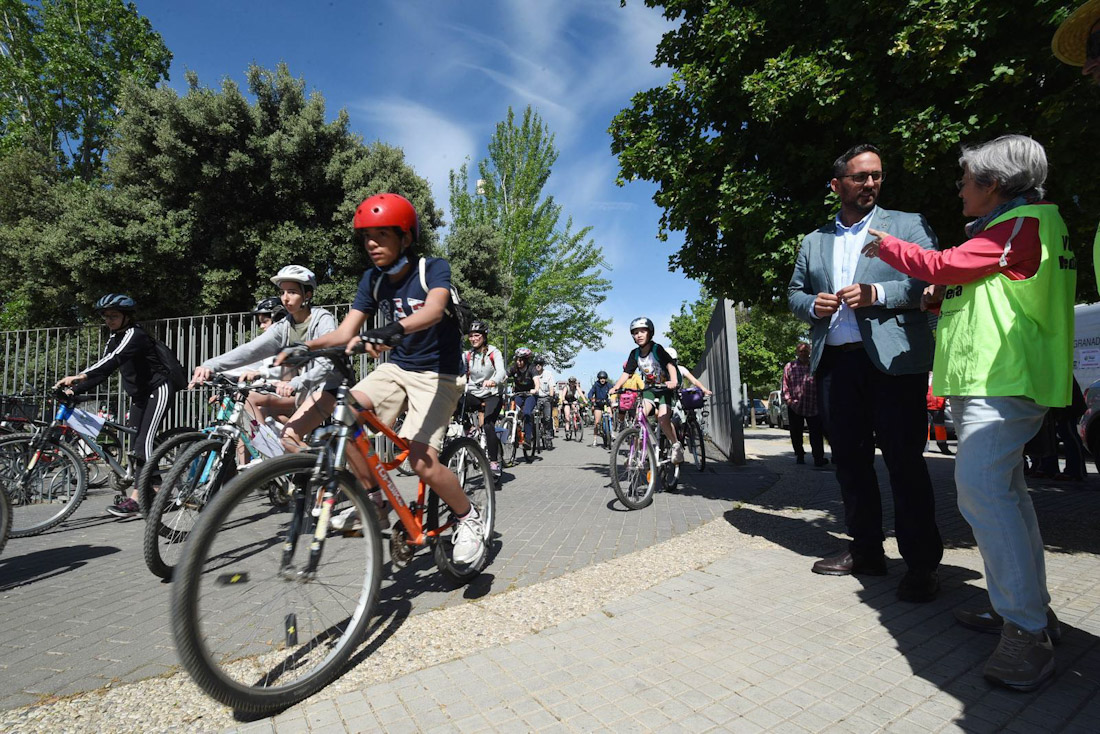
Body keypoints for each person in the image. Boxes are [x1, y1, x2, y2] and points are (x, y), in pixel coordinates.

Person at [862, 134, 1073, 691]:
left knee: (981, 493)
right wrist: (936, 298)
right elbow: (973, 284)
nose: (959, 188)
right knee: (1006, 496)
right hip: (995, 380)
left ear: (995, 184)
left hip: (1002, 380)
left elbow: (946, 264)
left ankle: (1027, 634)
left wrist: (885, 246)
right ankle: (1026, 614)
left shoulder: (1022, 222)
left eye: (966, 180)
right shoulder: (1016, 228)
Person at [281, 193, 486, 567]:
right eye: (366, 237)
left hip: (439, 374)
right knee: (346, 414)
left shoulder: (431, 268)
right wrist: (305, 347)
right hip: (398, 368)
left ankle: (468, 518)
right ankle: (375, 503)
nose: (372, 244)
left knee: (422, 461)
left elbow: (435, 308)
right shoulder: (372, 280)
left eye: (382, 235)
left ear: (405, 237)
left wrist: (391, 329)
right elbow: (345, 333)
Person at [787, 143, 944, 603]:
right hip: (837, 363)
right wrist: (810, 304)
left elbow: (932, 279)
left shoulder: (907, 225)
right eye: (860, 177)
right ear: (837, 185)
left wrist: (878, 292)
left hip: (894, 362)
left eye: (876, 175)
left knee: (904, 463)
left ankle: (921, 565)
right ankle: (867, 552)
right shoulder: (813, 240)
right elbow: (794, 292)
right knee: (851, 464)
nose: (871, 183)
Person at [190, 265, 340, 449]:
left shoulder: (322, 319)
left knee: (288, 438)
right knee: (284, 444)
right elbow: (251, 350)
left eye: (292, 292)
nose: (285, 297)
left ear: (307, 295)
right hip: (304, 391)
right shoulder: (284, 326)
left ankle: (316, 474)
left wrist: (296, 383)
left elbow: (328, 363)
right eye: (283, 292)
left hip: (329, 388)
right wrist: (210, 365)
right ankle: (285, 469)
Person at [54, 295, 177, 518]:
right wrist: (76, 390)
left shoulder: (134, 334)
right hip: (139, 396)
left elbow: (113, 360)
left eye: (114, 316)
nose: (109, 320)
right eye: (106, 316)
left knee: (143, 443)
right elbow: (104, 370)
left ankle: (138, 499)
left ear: (126, 316)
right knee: (136, 443)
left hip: (157, 390)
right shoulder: (114, 337)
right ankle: (158, 488)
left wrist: (80, 375)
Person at [608, 317, 682, 463]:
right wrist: (616, 386)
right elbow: (627, 373)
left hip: (665, 388)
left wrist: (673, 381)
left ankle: (676, 445)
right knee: (639, 416)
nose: (639, 335)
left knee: (662, 419)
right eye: (635, 332)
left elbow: (670, 365)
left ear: (650, 333)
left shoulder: (657, 349)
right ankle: (636, 453)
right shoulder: (634, 354)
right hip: (650, 388)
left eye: (642, 331)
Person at [463, 321, 506, 478]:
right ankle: (470, 429)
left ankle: (494, 462)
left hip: (492, 394)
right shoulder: (467, 355)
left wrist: (494, 380)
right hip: (474, 393)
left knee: (488, 425)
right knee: (452, 400)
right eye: (471, 336)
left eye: (477, 335)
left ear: (484, 336)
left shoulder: (494, 352)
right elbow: (458, 370)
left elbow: (501, 371)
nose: (473, 339)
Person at [782, 342, 826, 467]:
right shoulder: (790, 366)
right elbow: (785, 385)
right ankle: (800, 455)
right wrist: (788, 400)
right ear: (797, 352)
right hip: (795, 405)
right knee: (796, 433)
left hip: (814, 405)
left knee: (816, 434)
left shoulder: (816, 365)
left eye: (805, 351)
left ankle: (818, 458)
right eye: (800, 351)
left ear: (809, 351)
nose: (803, 353)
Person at [507, 348, 541, 447]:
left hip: (530, 395)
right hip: (518, 394)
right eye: (517, 359)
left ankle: (528, 439)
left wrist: (536, 389)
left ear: (526, 360)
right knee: (511, 412)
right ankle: (514, 433)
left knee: (527, 412)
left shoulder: (532, 368)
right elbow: (504, 376)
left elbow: (536, 381)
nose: (518, 362)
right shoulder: (514, 368)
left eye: (520, 360)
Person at [925, 374, 953, 456]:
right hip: (927, 406)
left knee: (940, 428)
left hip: (938, 406)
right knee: (925, 428)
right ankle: (924, 447)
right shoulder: (926, 378)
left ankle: (943, 447)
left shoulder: (940, 378)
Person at [587, 370, 613, 446]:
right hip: (598, 405)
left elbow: (613, 391)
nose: (602, 380)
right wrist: (591, 398)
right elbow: (590, 393)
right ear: (598, 379)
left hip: (606, 404)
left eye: (604, 378)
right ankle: (595, 439)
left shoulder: (608, 385)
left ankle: (611, 432)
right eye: (601, 378)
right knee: (597, 422)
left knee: (610, 416)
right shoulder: (596, 385)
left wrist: (613, 396)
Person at [533, 354, 556, 437]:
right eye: (536, 364)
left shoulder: (548, 374)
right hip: (536, 398)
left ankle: (548, 434)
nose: (538, 366)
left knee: (547, 417)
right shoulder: (532, 373)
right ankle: (533, 435)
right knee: (532, 415)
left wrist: (551, 397)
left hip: (546, 397)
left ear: (543, 365)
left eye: (540, 364)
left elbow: (551, 387)